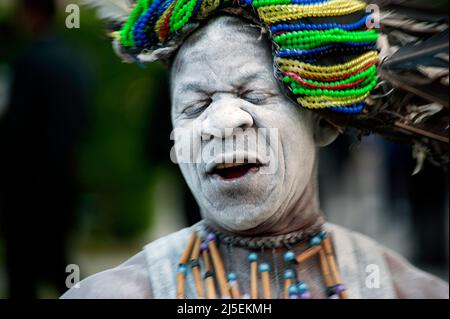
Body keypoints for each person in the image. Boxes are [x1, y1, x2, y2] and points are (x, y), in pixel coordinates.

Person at [62, 0, 448, 299]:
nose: (223, 121)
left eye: (254, 94)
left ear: (326, 122)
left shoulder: (405, 290)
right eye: (195, 106)